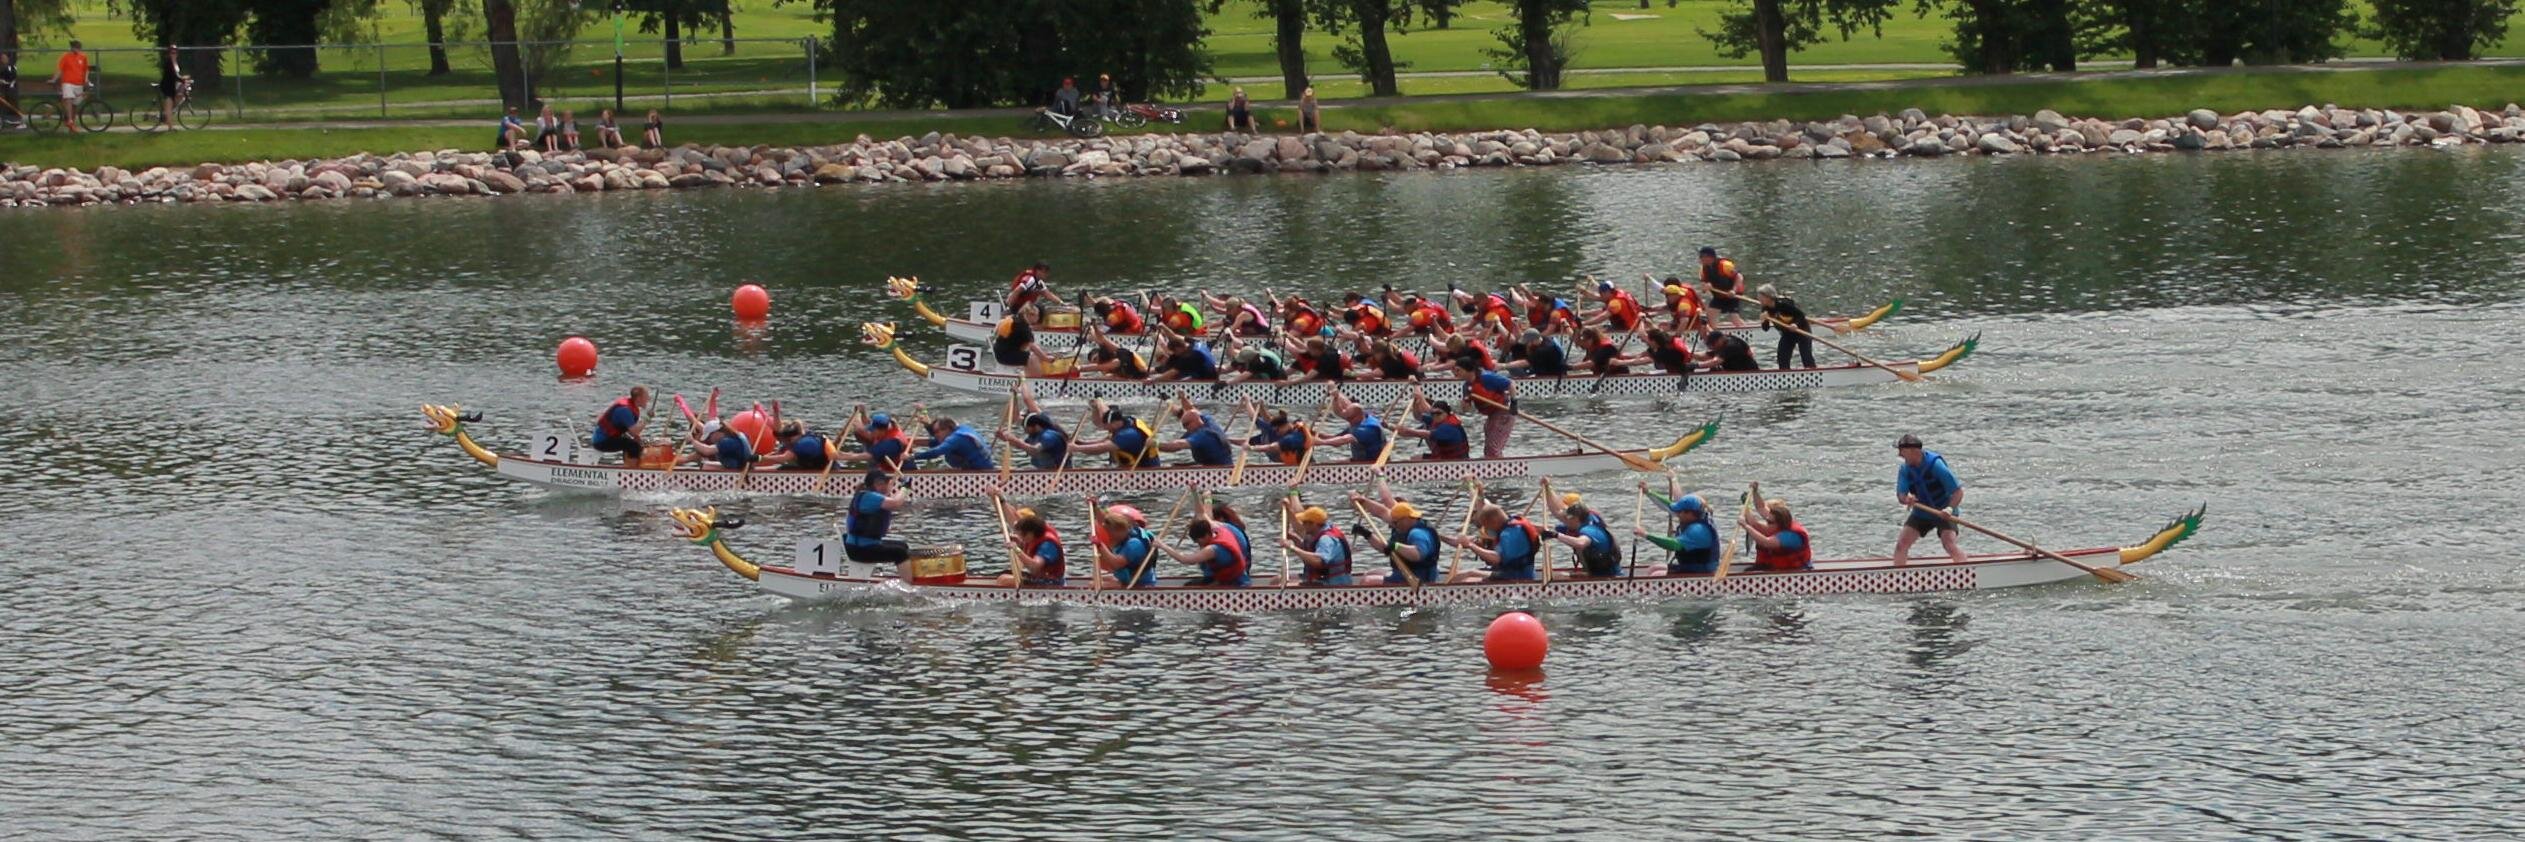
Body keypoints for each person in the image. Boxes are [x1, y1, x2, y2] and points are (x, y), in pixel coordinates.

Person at [1893, 434, 1968, 566]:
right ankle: (1897, 579)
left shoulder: (1936, 466)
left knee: (1948, 544)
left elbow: (1958, 492)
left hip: (1944, 512)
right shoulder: (1905, 469)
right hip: (1922, 513)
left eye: (1902, 451)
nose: (1899, 455)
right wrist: (1907, 499)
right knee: (1901, 544)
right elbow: (1901, 495)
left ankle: (1966, 571)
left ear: (1913, 451)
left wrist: (1949, 509)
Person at [1350, 485, 1440, 586]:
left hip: (1418, 578)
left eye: (1396, 523)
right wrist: (1366, 534)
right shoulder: (1406, 525)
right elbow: (1381, 513)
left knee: (1367, 581)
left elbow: (1417, 555)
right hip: (1405, 573)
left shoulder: (1417, 533)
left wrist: (1395, 546)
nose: (1394, 526)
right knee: (1369, 574)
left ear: (1405, 519)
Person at [1443, 501, 1543, 583]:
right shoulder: (1510, 524)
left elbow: (1496, 559)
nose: (1486, 530)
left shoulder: (1510, 534)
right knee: (1460, 574)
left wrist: (1470, 545)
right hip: (1510, 572)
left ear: (1494, 521)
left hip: (1516, 577)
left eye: (1486, 526)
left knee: (1465, 576)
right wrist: (1439, 536)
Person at [1542, 480, 1621, 577]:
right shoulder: (1580, 520)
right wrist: (1547, 487)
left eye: (1567, 518)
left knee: (1561, 576)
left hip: (1607, 576)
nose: (1564, 520)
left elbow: (1580, 543)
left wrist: (1555, 535)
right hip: (1594, 572)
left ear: (1575, 519)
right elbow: (1557, 511)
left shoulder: (1590, 530)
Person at [1638, 484, 1722, 575]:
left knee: (1656, 575)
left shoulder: (1698, 530)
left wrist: (1646, 535)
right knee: (1653, 568)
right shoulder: (1693, 516)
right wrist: (1649, 492)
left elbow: (1673, 545)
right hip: (1690, 566)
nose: (1677, 514)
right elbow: (1669, 506)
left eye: (1680, 512)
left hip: (1701, 572)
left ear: (1689, 513)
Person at [988, 492, 1067, 588]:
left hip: (1050, 583)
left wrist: (1017, 549)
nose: (1022, 538)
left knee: (1003, 580)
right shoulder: (1037, 530)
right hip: (1041, 578)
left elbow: (1034, 567)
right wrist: (1000, 500)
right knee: (1004, 574)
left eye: (1023, 536)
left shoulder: (1047, 545)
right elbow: (1012, 517)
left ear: (1030, 533)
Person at [844, 470, 915, 574]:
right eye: (885, 484)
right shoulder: (869, 497)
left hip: (863, 545)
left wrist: (901, 488)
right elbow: (896, 503)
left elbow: (888, 500)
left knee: (903, 546)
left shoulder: (869, 496)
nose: (887, 486)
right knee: (900, 553)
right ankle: (910, 584)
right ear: (877, 484)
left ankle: (905, 575)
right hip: (859, 549)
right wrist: (904, 488)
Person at [1280, 496, 1354, 585]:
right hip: (1319, 579)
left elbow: (1318, 561)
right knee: (1277, 579)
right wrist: (1288, 510)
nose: (1302, 525)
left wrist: (1292, 548)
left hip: (1333, 584)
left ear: (1313, 524)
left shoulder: (1326, 540)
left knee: (1284, 585)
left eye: (1304, 523)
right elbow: (1298, 529)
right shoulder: (1317, 531)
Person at [1160, 515, 1251, 587]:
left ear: (1207, 535)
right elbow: (1202, 514)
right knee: (1190, 584)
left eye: (1199, 541)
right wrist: (1195, 494)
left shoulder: (1212, 549)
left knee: (1190, 588)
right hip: (1234, 578)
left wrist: (1162, 546)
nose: (1199, 545)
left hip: (1236, 583)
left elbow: (1186, 560)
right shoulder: (1218, 529)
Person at [1740, 483, 1812, 572]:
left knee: (1759, 532)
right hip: (1776, 569)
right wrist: (1755, 492)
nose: (1766, 523)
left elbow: (1766, 542)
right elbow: (1761, 507)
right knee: (1758, 529)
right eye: (1767, 520)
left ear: (1779, 524)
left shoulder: (1789, 536)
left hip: (1797, 574)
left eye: (1769, 522)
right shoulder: (1777, 521)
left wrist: (1745, 526)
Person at [1457, 356, 1516, 459]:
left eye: (1458, 370)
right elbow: (1467, 410)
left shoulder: (1487, 377)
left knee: (1493, 449)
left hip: (1504, 412)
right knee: (1489, 449)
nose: (1455, 373)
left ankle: (1499, 469)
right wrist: (1464, 404)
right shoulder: (1466, 387)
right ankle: (1495, 465)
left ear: (1468, 370)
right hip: (1492, 415)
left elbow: (1511, 383)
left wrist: (1514, 403)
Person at [1071, 401, 1161, 468]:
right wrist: (1080, 443)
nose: (1105, 429)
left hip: (1144, 471)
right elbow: (1105, 439)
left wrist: (1076, 448)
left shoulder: (1128, 435)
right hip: (1128, 467)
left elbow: (1101, 448)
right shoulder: (1126, 422)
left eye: (1107, 426)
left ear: (1114, 423)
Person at [1093, 503, 1161, 588]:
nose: (1108, 535)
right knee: (1096, 578)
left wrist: (1100, 545)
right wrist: (1095, 507)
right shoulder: (1125, 530)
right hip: (1126, 578)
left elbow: (1115, 564)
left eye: (1110, 532)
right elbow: (1104, 520)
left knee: (1093, 585)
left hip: (1139, 584)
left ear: (1118, 530)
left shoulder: (1134, 544)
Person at [1310, 388, 1386, 462]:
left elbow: (1342, 440)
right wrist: (1313, 433)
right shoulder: (1363, 416)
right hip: (1359, 460)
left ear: (1358, 415)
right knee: (1329, 463)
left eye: (1350, 419)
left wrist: (1319, 442)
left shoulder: (1365, 430)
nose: (1348, 421)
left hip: (1370, 464)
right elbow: (1335, 436)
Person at [584, 386, 649, 462]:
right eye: (646, 397)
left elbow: (632, 432)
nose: (648, 399)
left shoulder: (631, 407)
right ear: (639, 398)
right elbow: (635, 431)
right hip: (601, 441)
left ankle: (630, 465)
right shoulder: (625, 410)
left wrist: (638, 438)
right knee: (633, 446)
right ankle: (631, 470)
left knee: (635, 443)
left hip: (609, 437)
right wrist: (647, 418)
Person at [1757, 284, 1815, 370]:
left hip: (1802, 330)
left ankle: (1812, 372)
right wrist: (1764, 321)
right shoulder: (1765, 308)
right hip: (1787, 334)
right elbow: (1766, 329)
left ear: (1768, 297)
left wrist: (1795, 324)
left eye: (1761, 297)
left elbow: (1801, 315)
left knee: (1806, 357)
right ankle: (1785, 375)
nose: (1759, 299)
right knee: (1782, 357)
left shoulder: (1783, 304)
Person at [1396, 393, 1469, 460]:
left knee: (1415, 460)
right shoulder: (1437, 420)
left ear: (1447, 413)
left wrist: (1407, 430)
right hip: (1443, 457)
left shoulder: (1449, 427)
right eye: (1433, 413)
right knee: (1414, 459)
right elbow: (1418, 416)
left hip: (1455, 462)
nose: (1435, 416)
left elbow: (1425, 434)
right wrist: (1415, 404)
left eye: (1438, 413)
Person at [996, 404, 1070, 470]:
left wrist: (1014, 440)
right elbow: (1021, 446)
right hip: (1042, 471)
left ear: (1036, 426)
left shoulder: (1049, 436)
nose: (1025, 432)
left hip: (1057, 473)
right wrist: (1006, 439)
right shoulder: (1034, 435)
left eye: (1027, 429)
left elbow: (1034, 450)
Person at [910, 415, 995, 470]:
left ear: (947, 429)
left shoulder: (956, 439)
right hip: (981, 467)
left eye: (937, 432)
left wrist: (912, 457)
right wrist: (909, 441)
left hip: (978, 474)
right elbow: (934, 442)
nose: (935, 435)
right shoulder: (961, 429)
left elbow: (937, 452)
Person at [1155, 408, 1234, 466]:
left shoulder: (1203, 435)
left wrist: (1156, 444)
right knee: (1175, 465)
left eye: (1186, 425)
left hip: (1217, 471)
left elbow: (1178, 445)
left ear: (1194, 421)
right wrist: (1179, 410)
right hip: (1210, 465)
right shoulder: (1207, 419)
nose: (1185, 429)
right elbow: (1191, 409)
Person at [1699, 247, 1748, 326]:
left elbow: (1739, 277)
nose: (1700, 259)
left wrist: (1733, 290)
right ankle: (1714, 334)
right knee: (1710, 315)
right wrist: (1705, 287)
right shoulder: (1703, 270)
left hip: (1733, 295)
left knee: (1734, 318)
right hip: (1719, 296)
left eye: (1702, 257)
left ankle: (1744, 330)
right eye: (1700, 257)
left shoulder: (1725, 265)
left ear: (1710, 257)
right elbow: (1703, 285)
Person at [47, 40, 89, 133]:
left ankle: (71, 124)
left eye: (78, 48)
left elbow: (86, 69)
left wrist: (86, 80)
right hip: (68, 82)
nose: (76, 50)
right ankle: (69, 120)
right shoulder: (65, 57)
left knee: (75, 104)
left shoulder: (83, 57)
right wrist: (54, 79)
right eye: (74, 48)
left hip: (79, 83)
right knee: (68, 98)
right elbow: (60, 70)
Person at [758, 420, 832, 471]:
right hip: (813, 468)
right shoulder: (795, 441)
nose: (785, 442)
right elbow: (777, 454)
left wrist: (758, 458)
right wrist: (753, 462)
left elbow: (783, 458)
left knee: (783, 468)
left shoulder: (805, 443)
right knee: (783, 467)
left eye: (788, 439)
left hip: (823, 471)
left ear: (797, 435)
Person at [681, 417, 754, 469]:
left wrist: (692, 441)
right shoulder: (734, 435)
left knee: (706, 467)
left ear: (716, 433)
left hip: (739, 471)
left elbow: (707, 451)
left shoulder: (727, 442)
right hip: (739, 466)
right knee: (706, 465)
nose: (710, 440)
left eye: (709, 437)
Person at [1502, 329, 1569, 377]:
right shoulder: (1544, 339)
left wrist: (1503, 366)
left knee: (1510, 364)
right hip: (1546, 370)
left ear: (1532, 340)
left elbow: (1525, 363)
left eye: (1528, 342)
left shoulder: (1543, 350)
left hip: (1551, 377)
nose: (1527, 344)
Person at [155, 45, 186, 130]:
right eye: (172, 53)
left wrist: (183, 78)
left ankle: (166, 117)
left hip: (172, 86)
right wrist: (182, 79)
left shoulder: (175, 62)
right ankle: (170, 127)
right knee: (169, 106)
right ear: (169, 54)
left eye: (175, 53)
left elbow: (177, 75)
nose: (174, 54)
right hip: (167, 87)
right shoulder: (169, 63)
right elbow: (174, 76)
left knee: (179, 98)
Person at [1, 51, 20, 128]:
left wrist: (6, 82)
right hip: (6, 88)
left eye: (4, 58)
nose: (3, 59)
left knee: (10, 102)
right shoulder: (3, 67)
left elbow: (13, 77)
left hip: (11, 88)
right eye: (2, 58)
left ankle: (16, 119)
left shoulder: (11, 67)